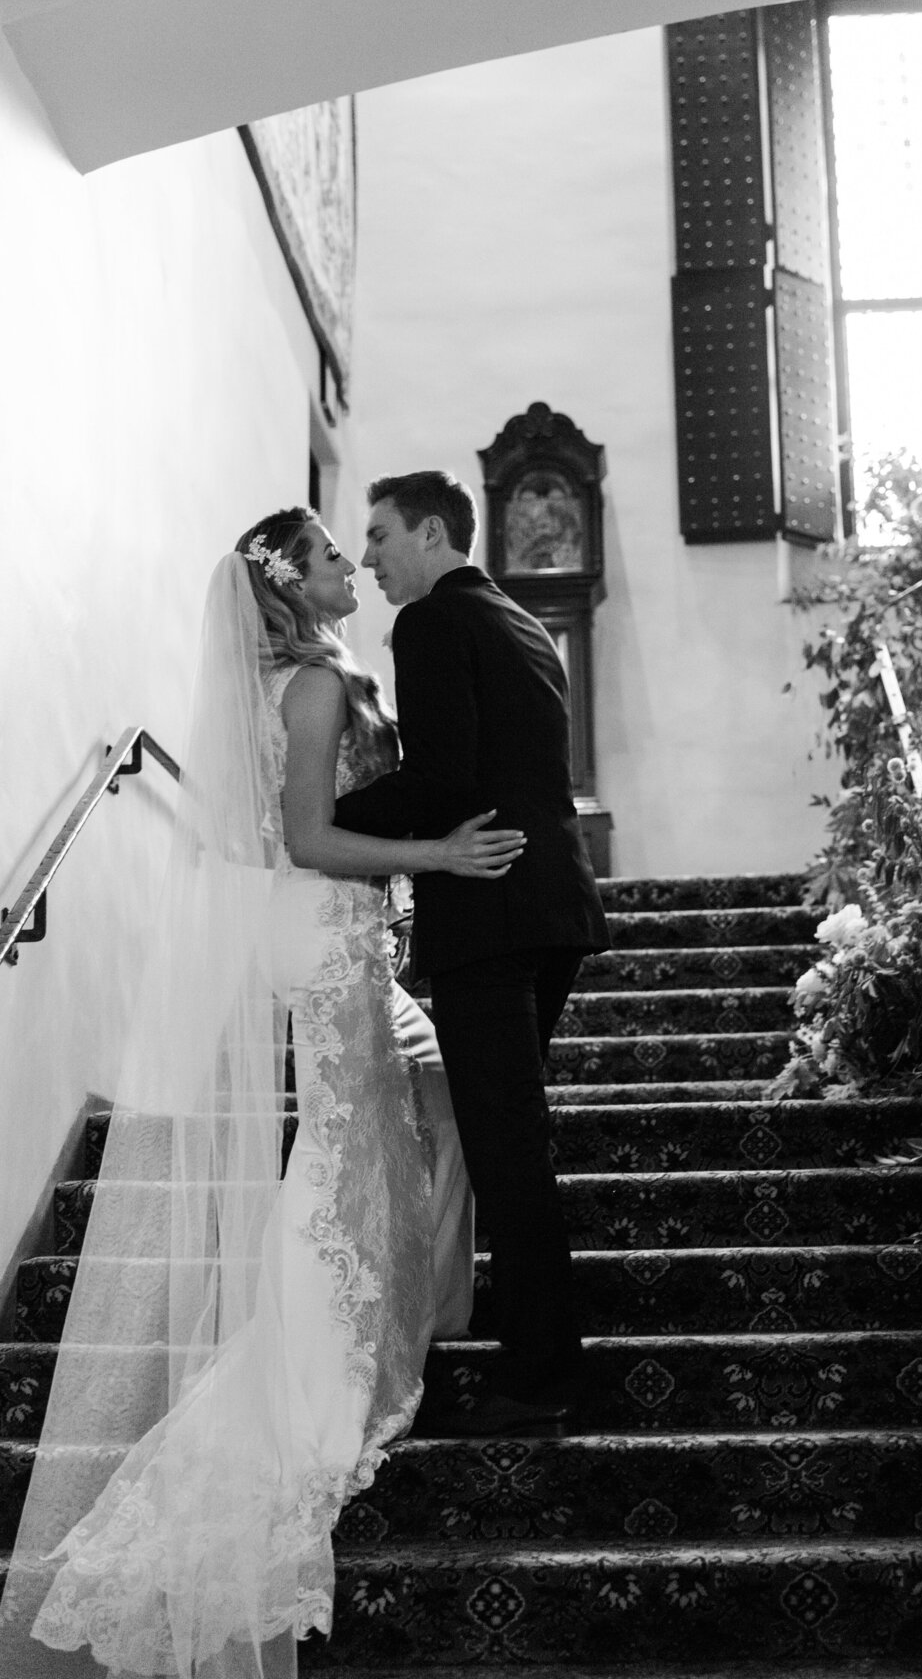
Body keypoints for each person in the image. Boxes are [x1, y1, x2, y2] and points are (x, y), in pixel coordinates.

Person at [1, 507, 525, 1679]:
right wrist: (439, 860)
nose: (354, 567)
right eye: (337, 555)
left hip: (326, 935)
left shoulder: (299, 677)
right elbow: (303, 836)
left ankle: (377, 1320)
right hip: (326, 931)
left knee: (382, 1126)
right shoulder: (316, 687)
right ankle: (311, 1368)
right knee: (350, 1139)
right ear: (293, 583)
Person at [334, 471, 610, 1434]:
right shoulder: (519, 620)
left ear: (433, 531)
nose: (367, 559)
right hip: (552, 910)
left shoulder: (433, 624)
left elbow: (443, 780)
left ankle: (541, 1375)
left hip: (490, 917)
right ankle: (538, 1349)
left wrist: (316, 820)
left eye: (378, 537)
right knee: (508, 1140)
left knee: (505, 1150)